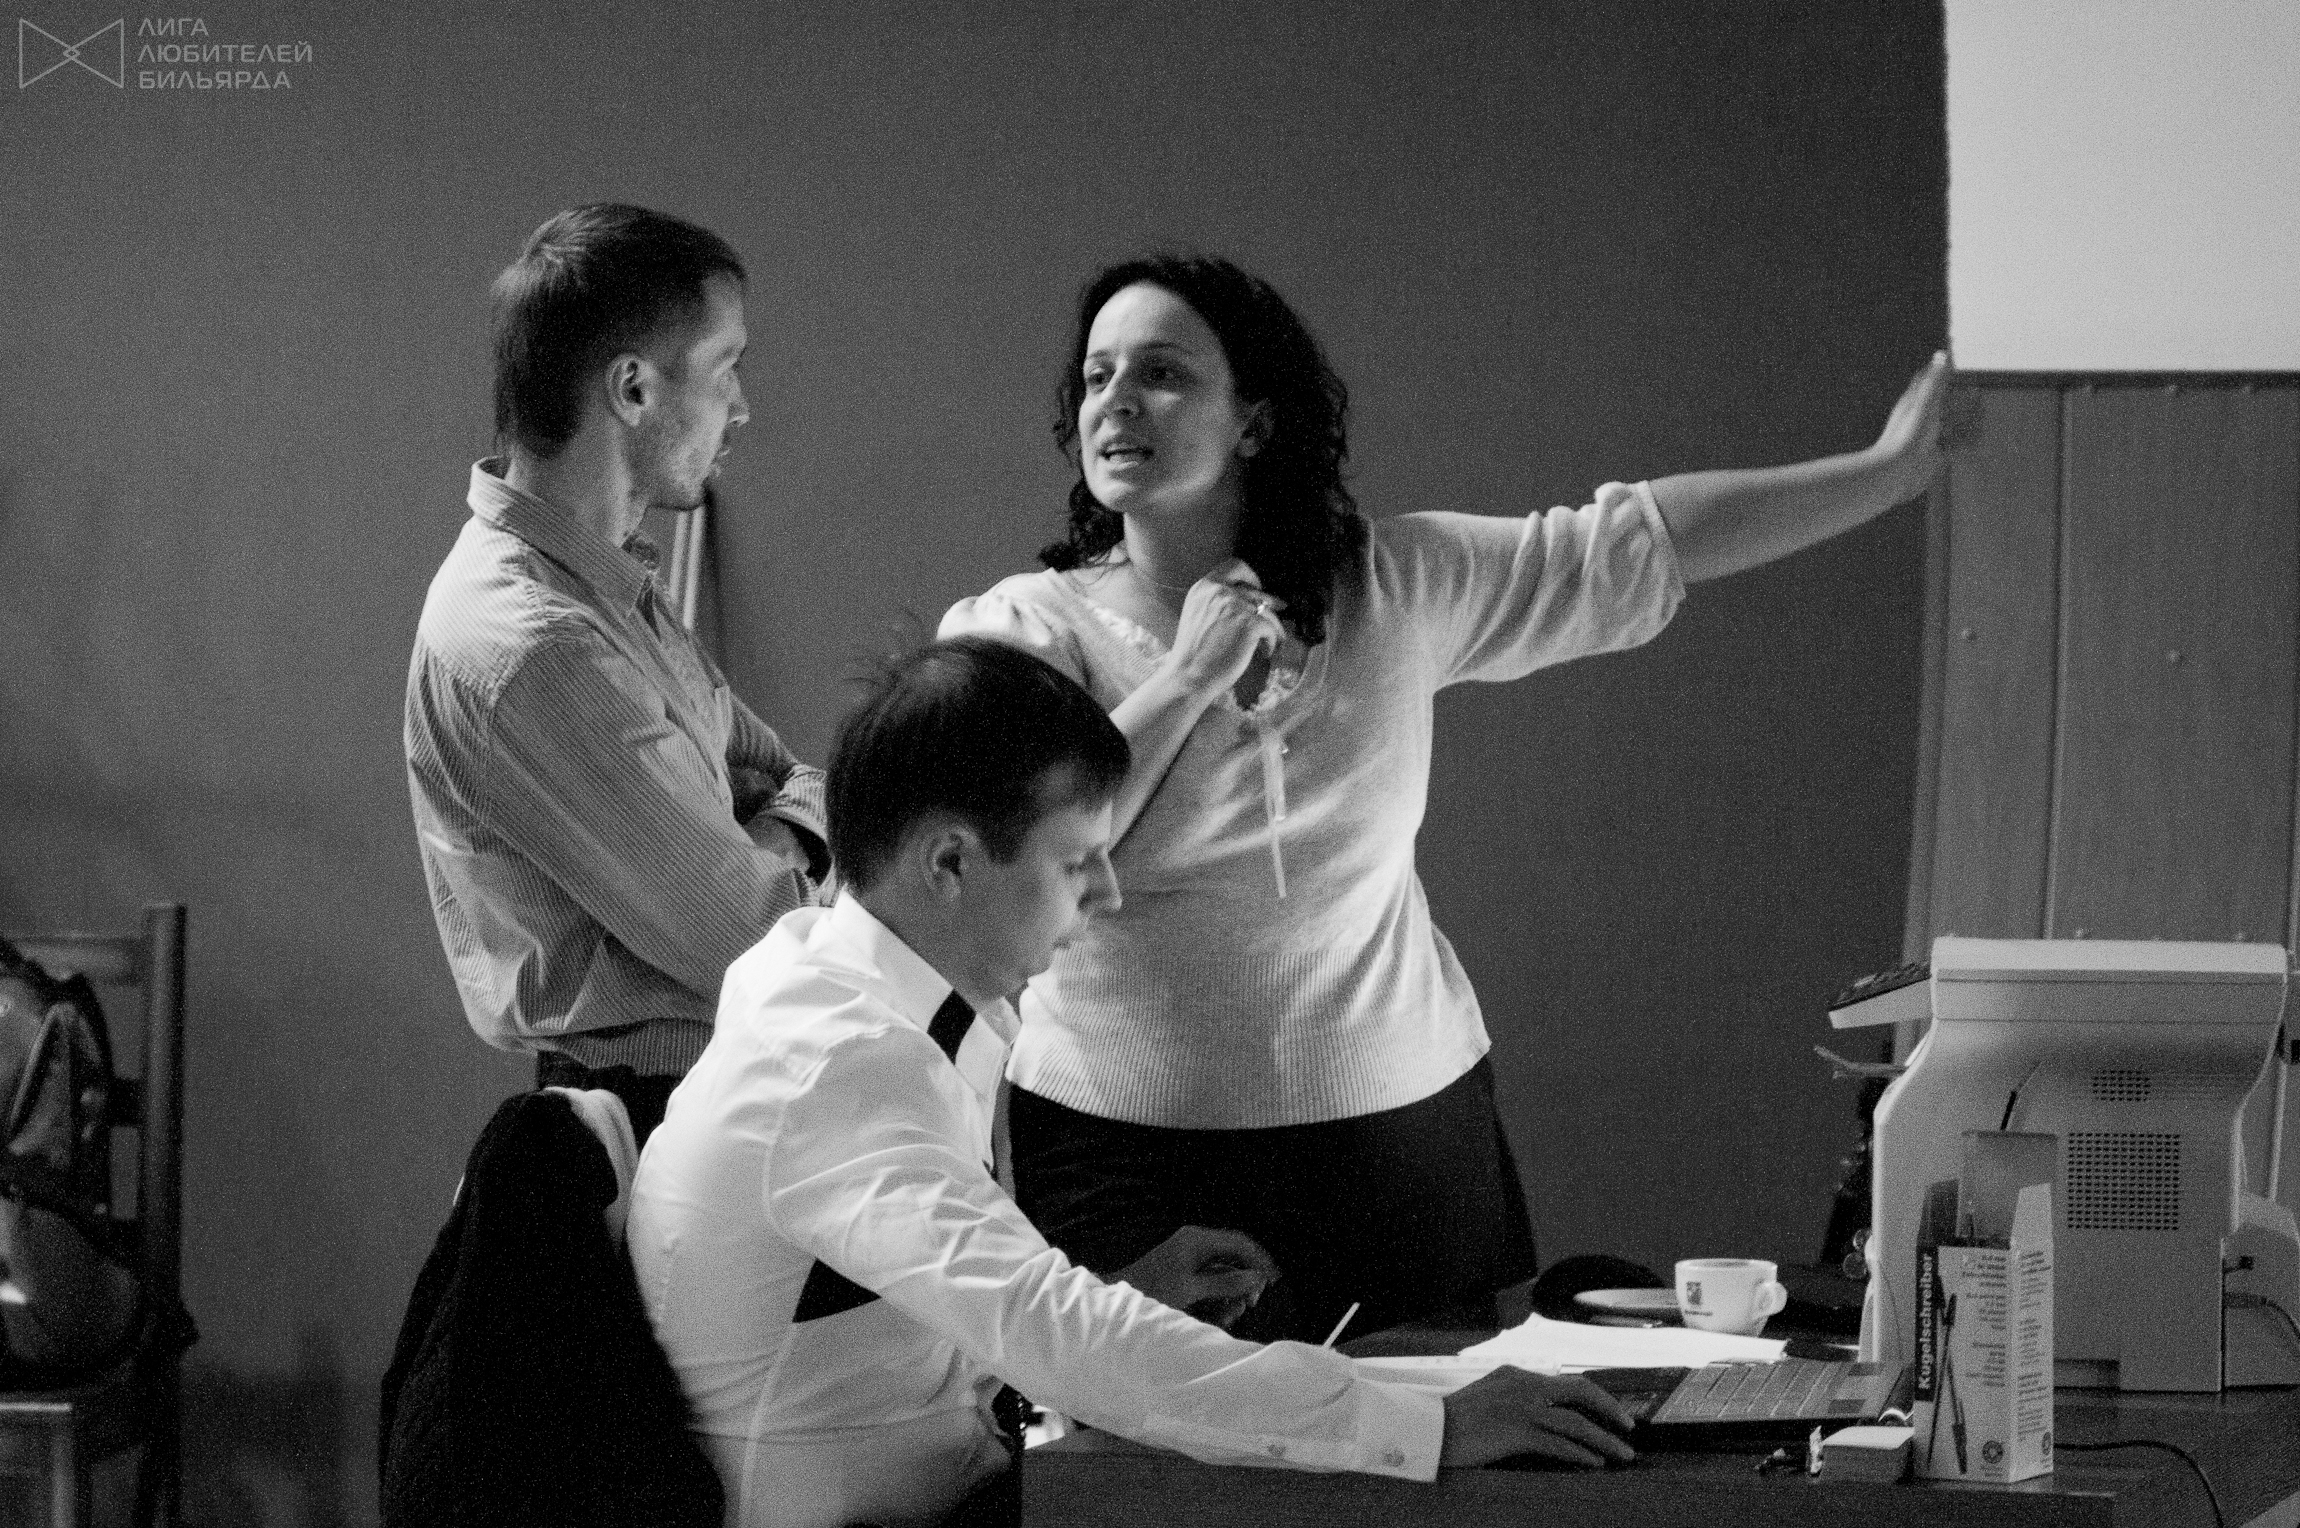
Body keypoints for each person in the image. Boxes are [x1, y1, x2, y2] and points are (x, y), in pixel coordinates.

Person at [939, 254, 1949, 1343]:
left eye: (1163, 373)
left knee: (1436, 1430)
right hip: (1116, 1147)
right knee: (1135, 1447)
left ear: (1253, 422)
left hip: (1397, 1139)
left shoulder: (1389, 583)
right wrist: (1186, 679)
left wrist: (1884, 474)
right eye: (1096, 376)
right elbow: (1029, 845)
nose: (1117, 401)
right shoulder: (1021, 630)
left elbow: (1629, 546)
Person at [627, 636, 1637, 1528]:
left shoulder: (849, 987)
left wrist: (1122, 1292)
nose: (1106, 893)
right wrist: (1429, 1423)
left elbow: (936, 1323)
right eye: (1077, 861)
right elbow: (1048, 1331)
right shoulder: (836, 1061)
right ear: (949, 863)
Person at [406, 204, 826, 1144]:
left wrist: (777, 828)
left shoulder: (604, 582)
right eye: (725, 367)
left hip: (701, 1096)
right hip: (652, 1118)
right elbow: (766, 939)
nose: (742, 407)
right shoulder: (536, 643)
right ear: (633, 389)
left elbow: (791, 777)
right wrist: (785, 840)